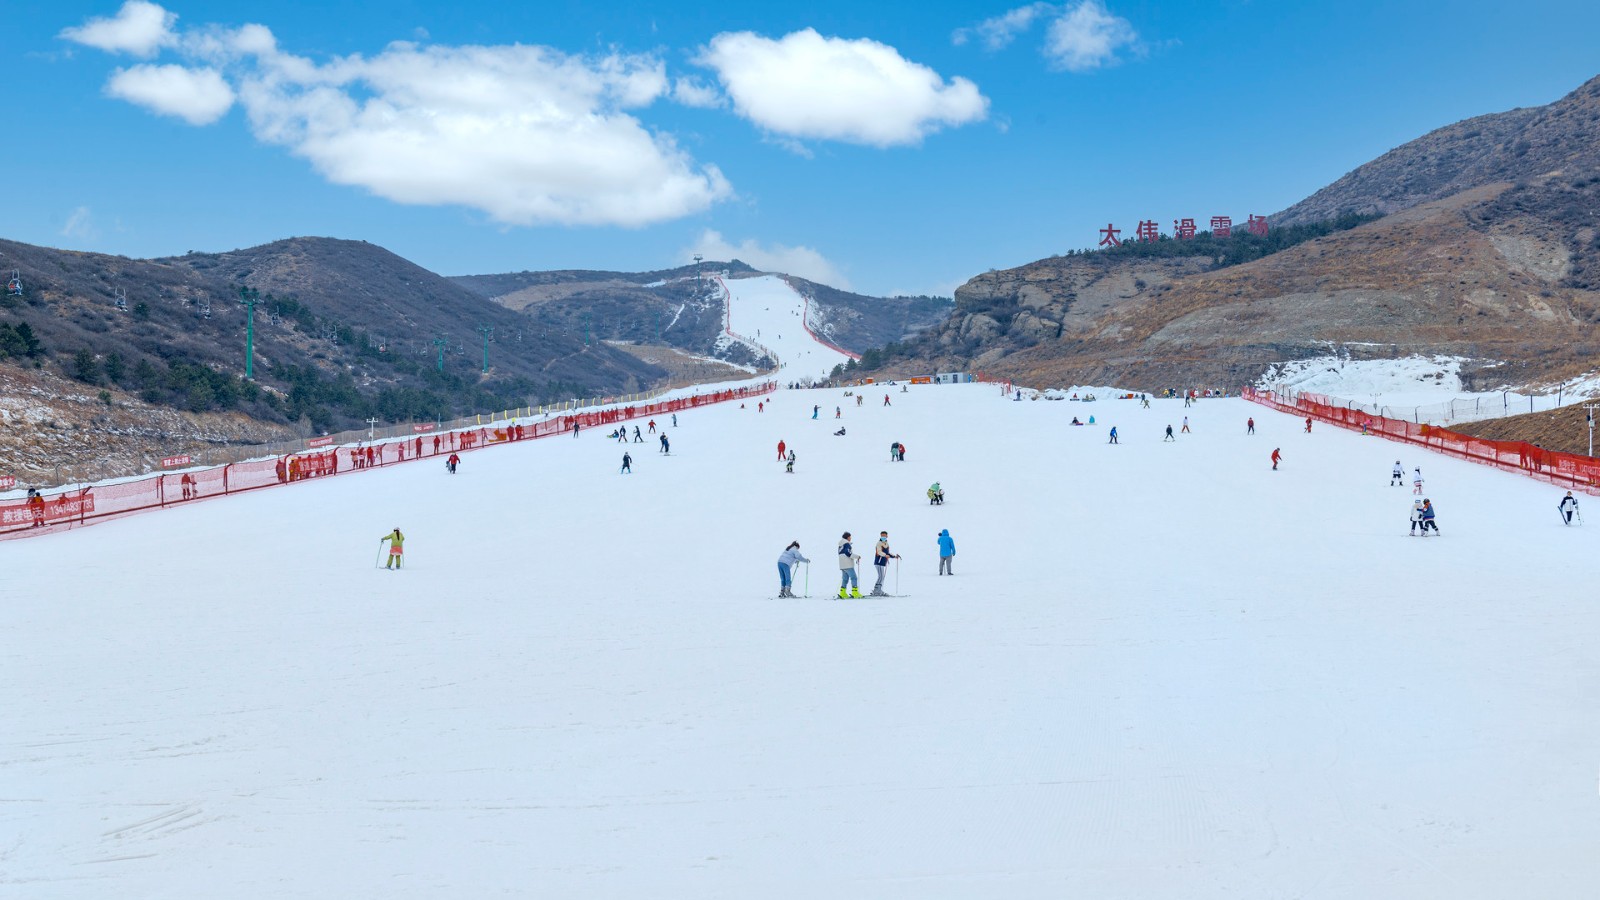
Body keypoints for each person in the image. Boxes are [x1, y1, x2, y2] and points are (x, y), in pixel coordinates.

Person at [871, 531, 900, 596]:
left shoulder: (886, 543)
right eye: (882, 535)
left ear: (887, 536)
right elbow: (879, 552)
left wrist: (894, 556)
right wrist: (885, 555)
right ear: (880, 536)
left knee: (881, 577)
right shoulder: (879, 543)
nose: (883, 537)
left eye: (884, 535)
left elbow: (888, 553)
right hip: (878, 562)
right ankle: (877, 591)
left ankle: (878, 590)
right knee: (881, 576)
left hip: (883, 562)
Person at [837, 532, 862, 599]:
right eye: (850, 537)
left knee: (845, 579)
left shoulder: (840, 545)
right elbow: (849, 554)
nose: (850, 538)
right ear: (847, 537)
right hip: (848, 564)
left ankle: (842, 593)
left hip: (842, 565)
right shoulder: (847, 544)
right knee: (854, 578)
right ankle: (855, 592)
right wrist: (857, 557)